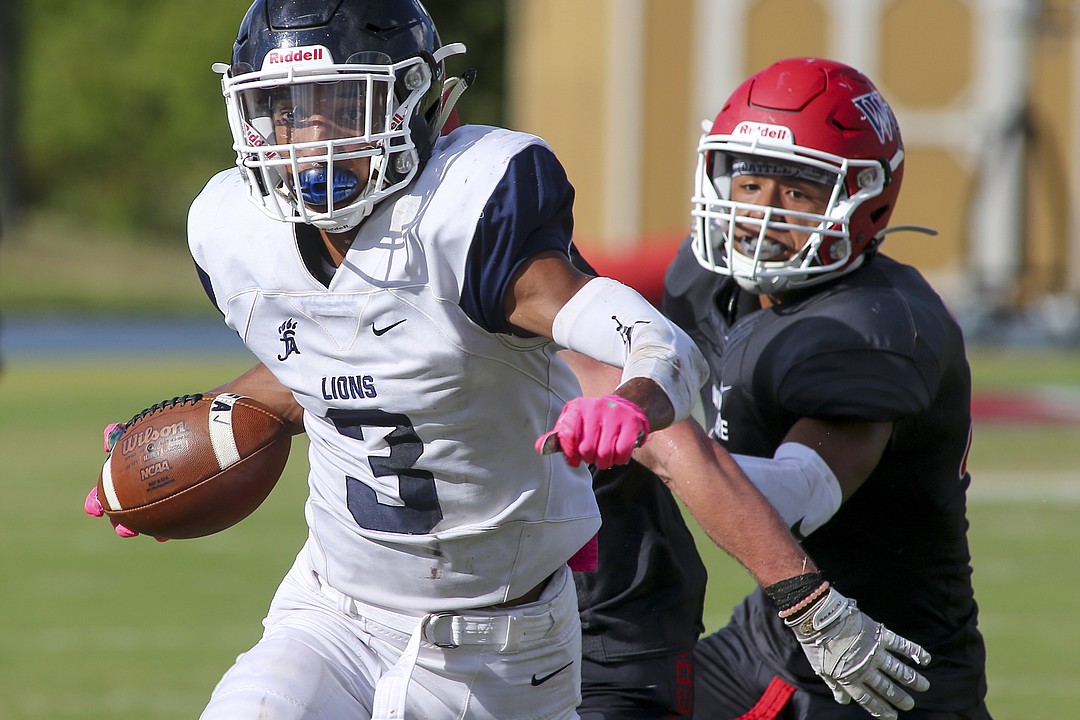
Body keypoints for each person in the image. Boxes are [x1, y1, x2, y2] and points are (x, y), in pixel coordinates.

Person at [83, 4, 934, 719]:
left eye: (341, 105)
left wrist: (634, 403)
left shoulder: (471, 216)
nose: (311, 138)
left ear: (414, 102)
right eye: (287, 108)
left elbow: (659, 345)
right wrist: (202, 428)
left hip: (497, 649)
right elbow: (327, 358)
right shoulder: (234, 232)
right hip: (330, 612)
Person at [655, 56, 991, 718]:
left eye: (798, 193)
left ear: (861, 201)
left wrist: (656, 446)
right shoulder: (710, 280)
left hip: (882, 669)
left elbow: (796, 493)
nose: (761, 213)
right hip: (766, 637)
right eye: (748, 183)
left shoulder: (872, 326)